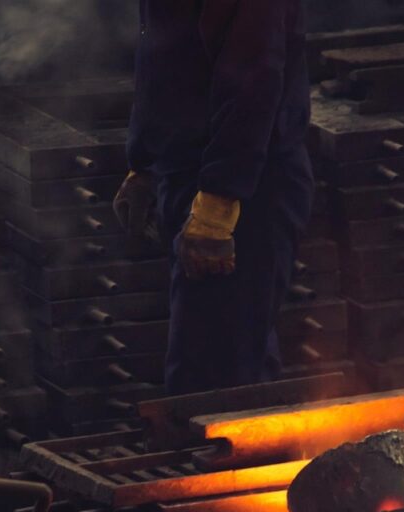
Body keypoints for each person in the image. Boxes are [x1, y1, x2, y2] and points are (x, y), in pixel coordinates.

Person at [113, 0, 314, 396]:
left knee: (217, 377)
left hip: (246, 186)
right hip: (192, 175)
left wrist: (219, 204)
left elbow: (253, 82)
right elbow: (164, 58)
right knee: (216, 360)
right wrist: (146, 161)